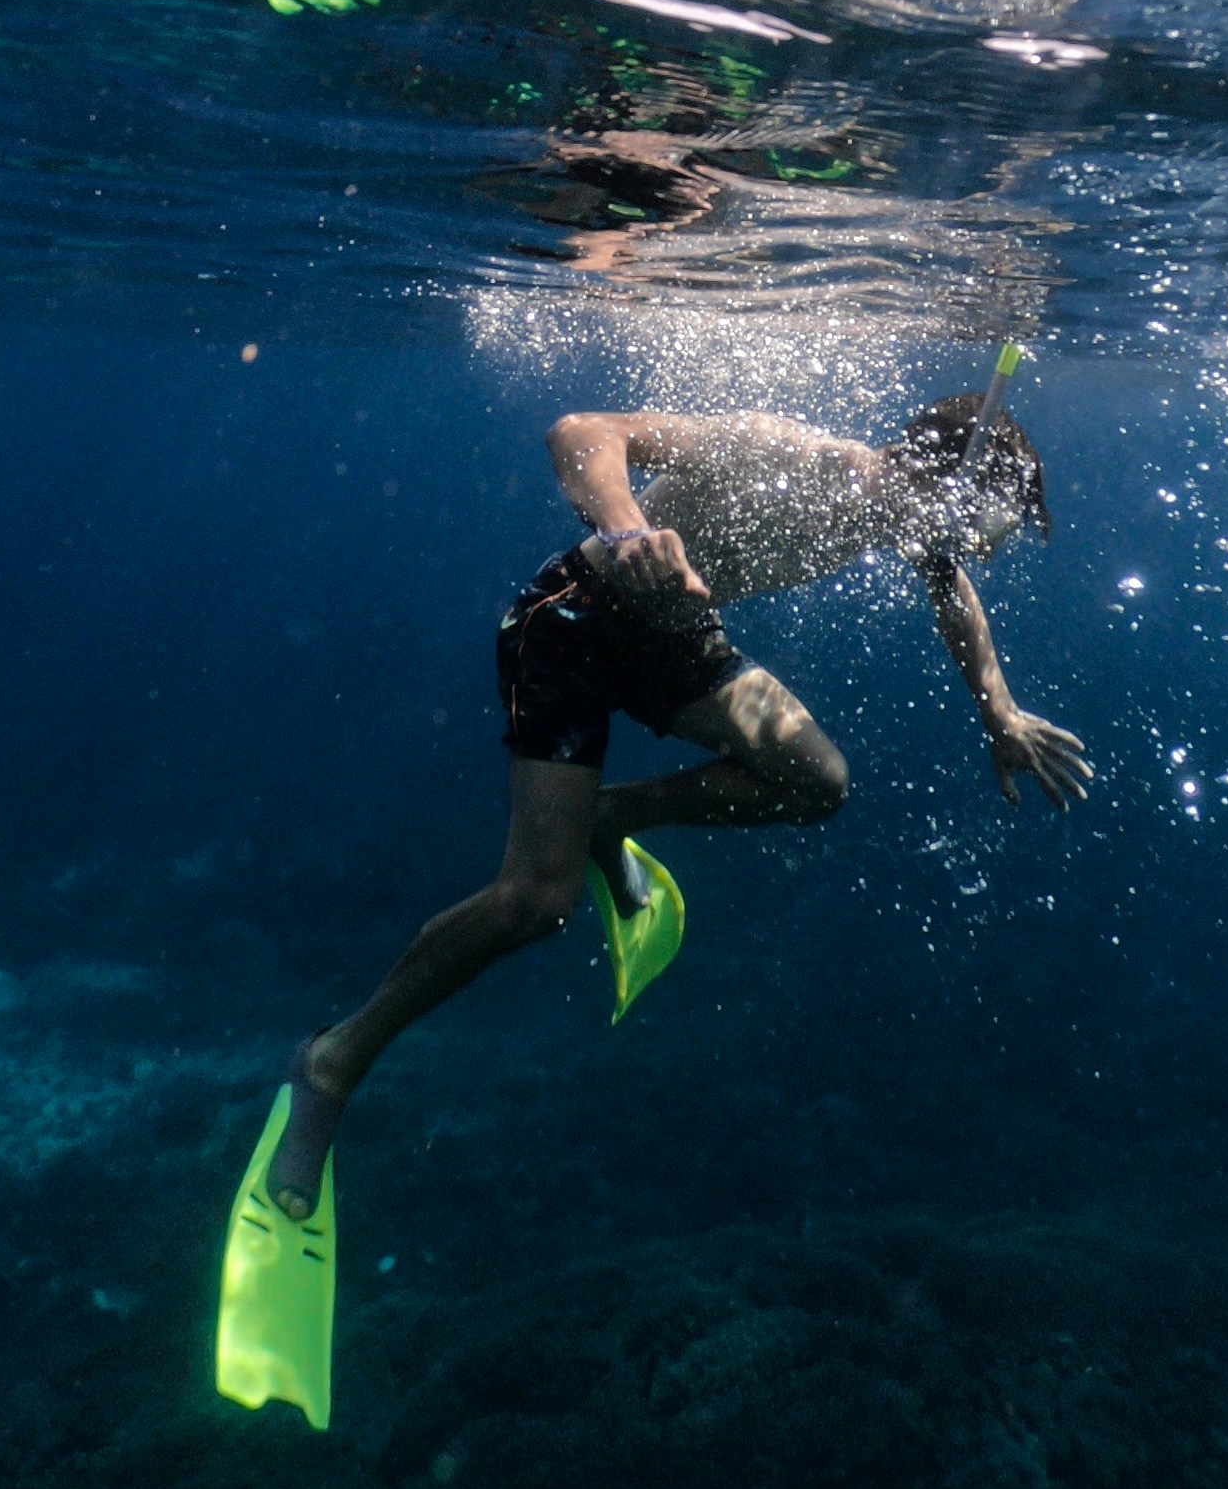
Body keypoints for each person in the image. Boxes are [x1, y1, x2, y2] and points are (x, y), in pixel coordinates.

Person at [259, 389, 1091, 1215]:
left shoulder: (903, 518)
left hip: (677, 638)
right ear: (935, 478)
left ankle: (609, 820)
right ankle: (331, 1062)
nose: (986, 542)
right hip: (572, 624)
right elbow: (584, 431)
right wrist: (625, 528)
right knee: (534, 902)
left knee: (815, 781)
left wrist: (1000, 714)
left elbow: (950, 592)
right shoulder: (794, 452)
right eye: (992, 516)